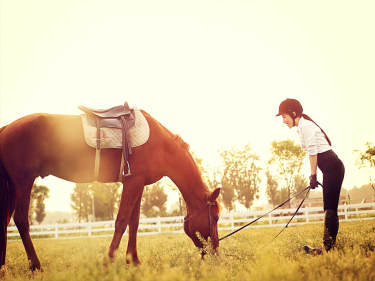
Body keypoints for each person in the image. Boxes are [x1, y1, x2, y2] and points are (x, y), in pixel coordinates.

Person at [276, 98, 345, 255]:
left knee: (330, 209)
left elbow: (313, 153)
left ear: (293, 114)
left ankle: (327, 251)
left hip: (333, 168)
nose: (283, 120)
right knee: (328, 208)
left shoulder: (306, 126)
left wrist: (313, 175)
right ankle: (327, 249)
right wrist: (314, 175)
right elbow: (311, 152)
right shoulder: (301, 127)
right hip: (329, 169)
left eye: (284, 116)